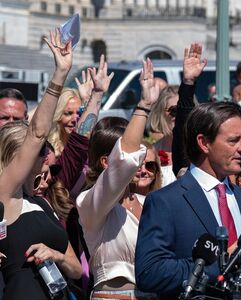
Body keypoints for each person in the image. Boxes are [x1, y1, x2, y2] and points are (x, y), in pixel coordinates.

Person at [0, 29, 82, 300]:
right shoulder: (3, 197)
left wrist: (55, 254)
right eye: (39, 150)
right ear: (16, 158)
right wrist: (60, 73)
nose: (46, 153)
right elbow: (36, 132)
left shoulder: (41, 201)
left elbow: (75, 270)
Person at [135, 100, 241, 296]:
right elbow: (150, 273)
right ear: (204, 143)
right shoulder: (166, 202)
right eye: (233, 140)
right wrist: (221, 264)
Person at [77, 58, 162, 299]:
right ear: (106, 162)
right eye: (137, 155)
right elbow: (124, 157)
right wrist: (143, 106)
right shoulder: (91, 202)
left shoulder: (149, 203)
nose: (140, 163)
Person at [147, 85, 179, 186]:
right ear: (161, 113)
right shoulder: (151, 152)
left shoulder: (201, 151)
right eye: (174, 110)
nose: (180, 116)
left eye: (184, 110)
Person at [47, 89, 82, 157]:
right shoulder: (46, 149)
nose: (75, 119)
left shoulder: (85, 147)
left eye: (79, 114)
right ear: (58, 115)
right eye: (68, 113)